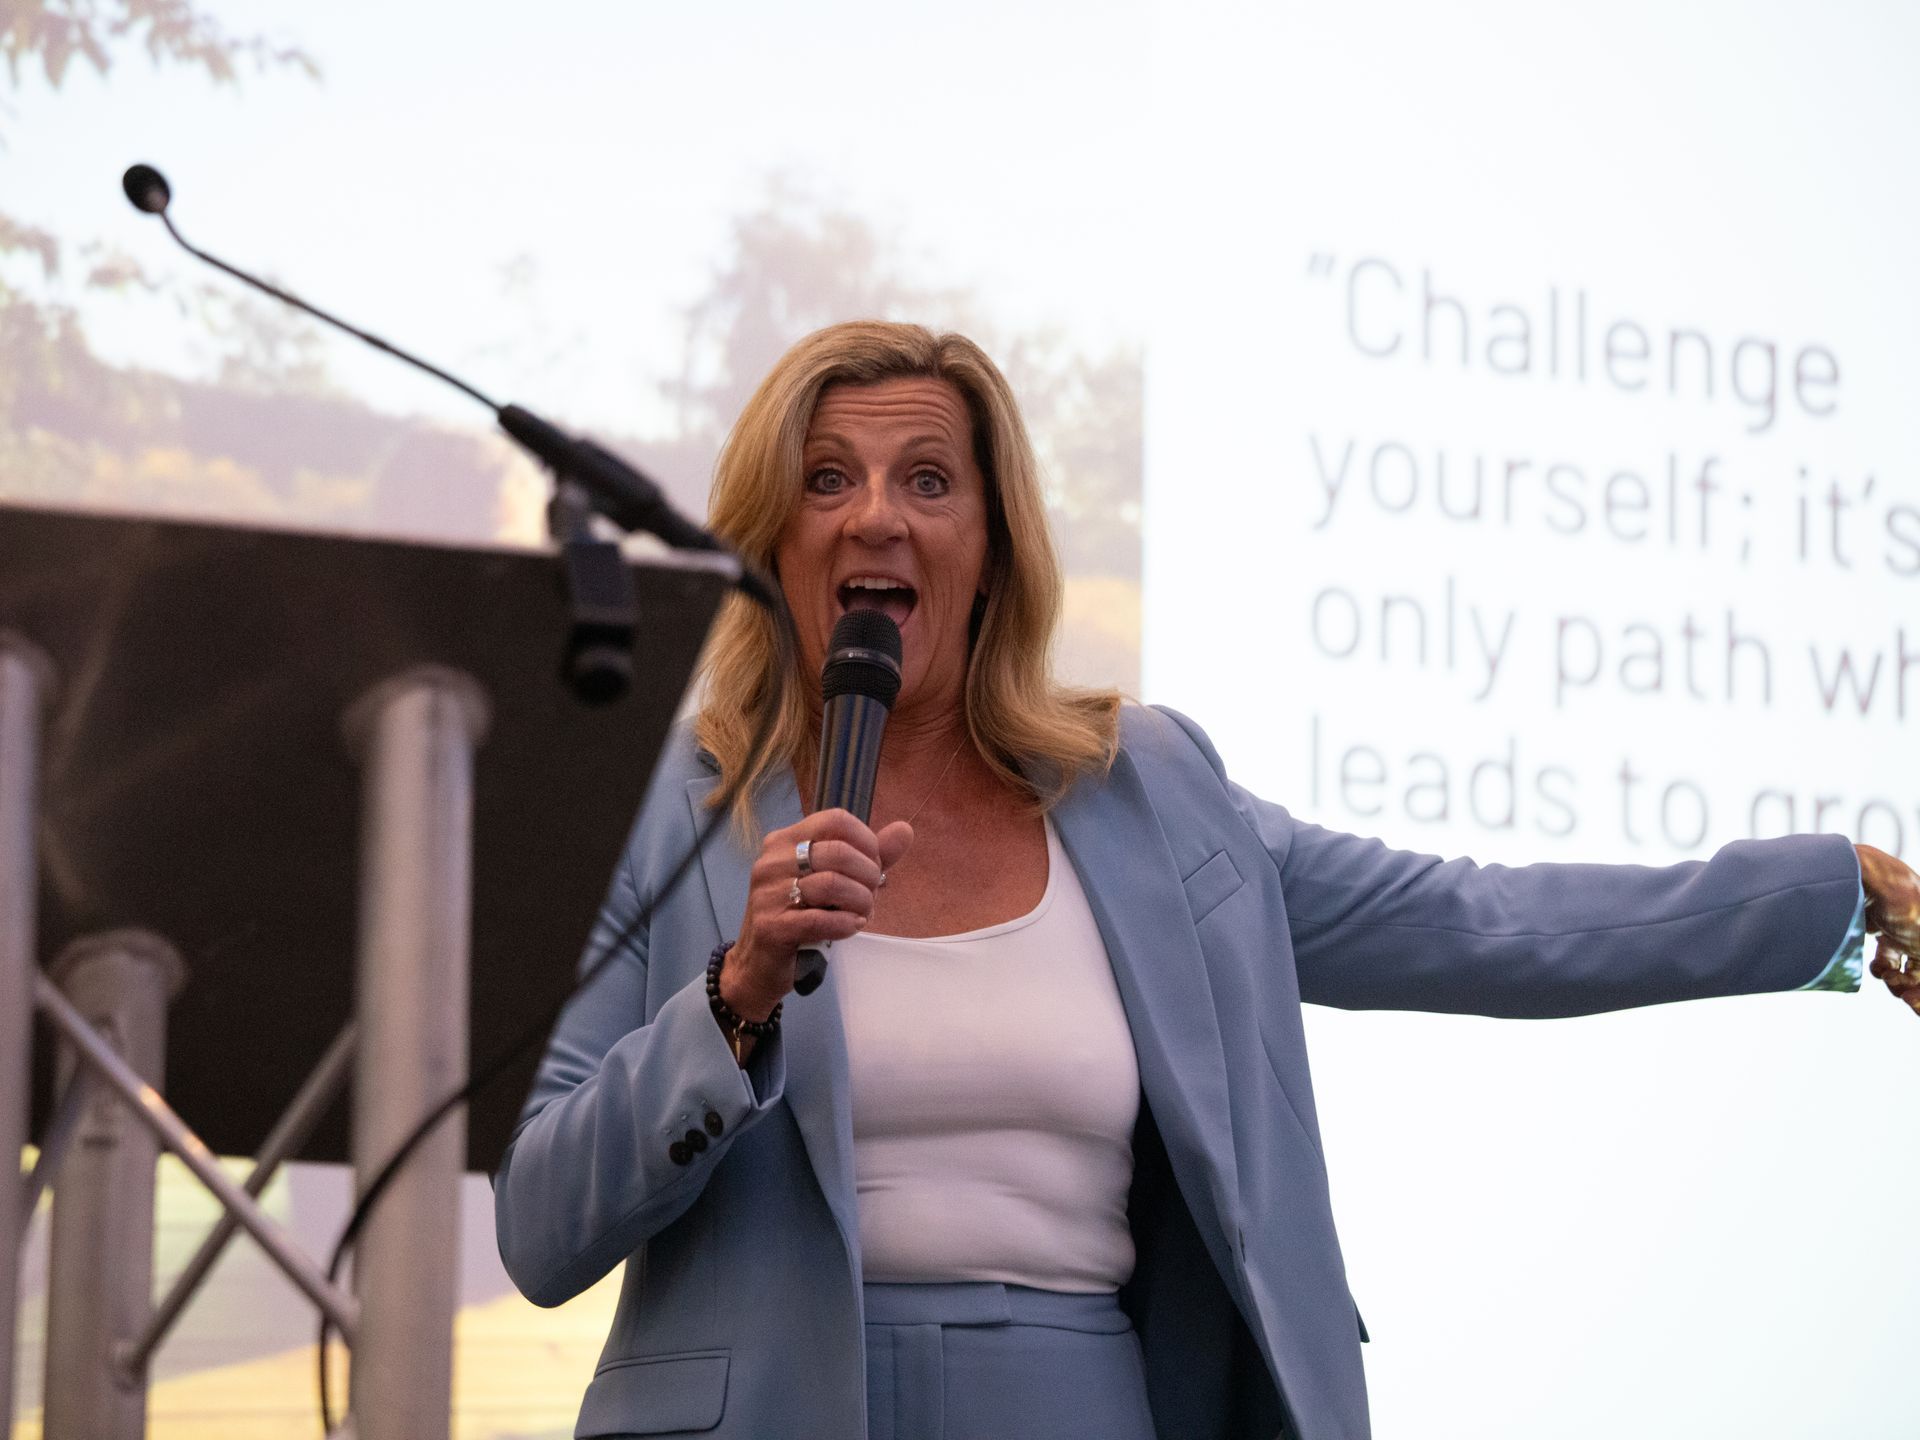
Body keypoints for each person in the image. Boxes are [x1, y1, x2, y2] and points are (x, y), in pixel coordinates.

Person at [492, 321, 1920, 1440]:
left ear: (990, 550)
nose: (878, 517)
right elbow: (543, 1225)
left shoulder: (1153, 798)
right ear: (768, 542)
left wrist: (1827, 897)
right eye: (828, 478)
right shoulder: (672, 810)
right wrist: (733, 997)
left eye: (929, 478)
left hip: (1076, 1404)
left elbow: (1483, 922)